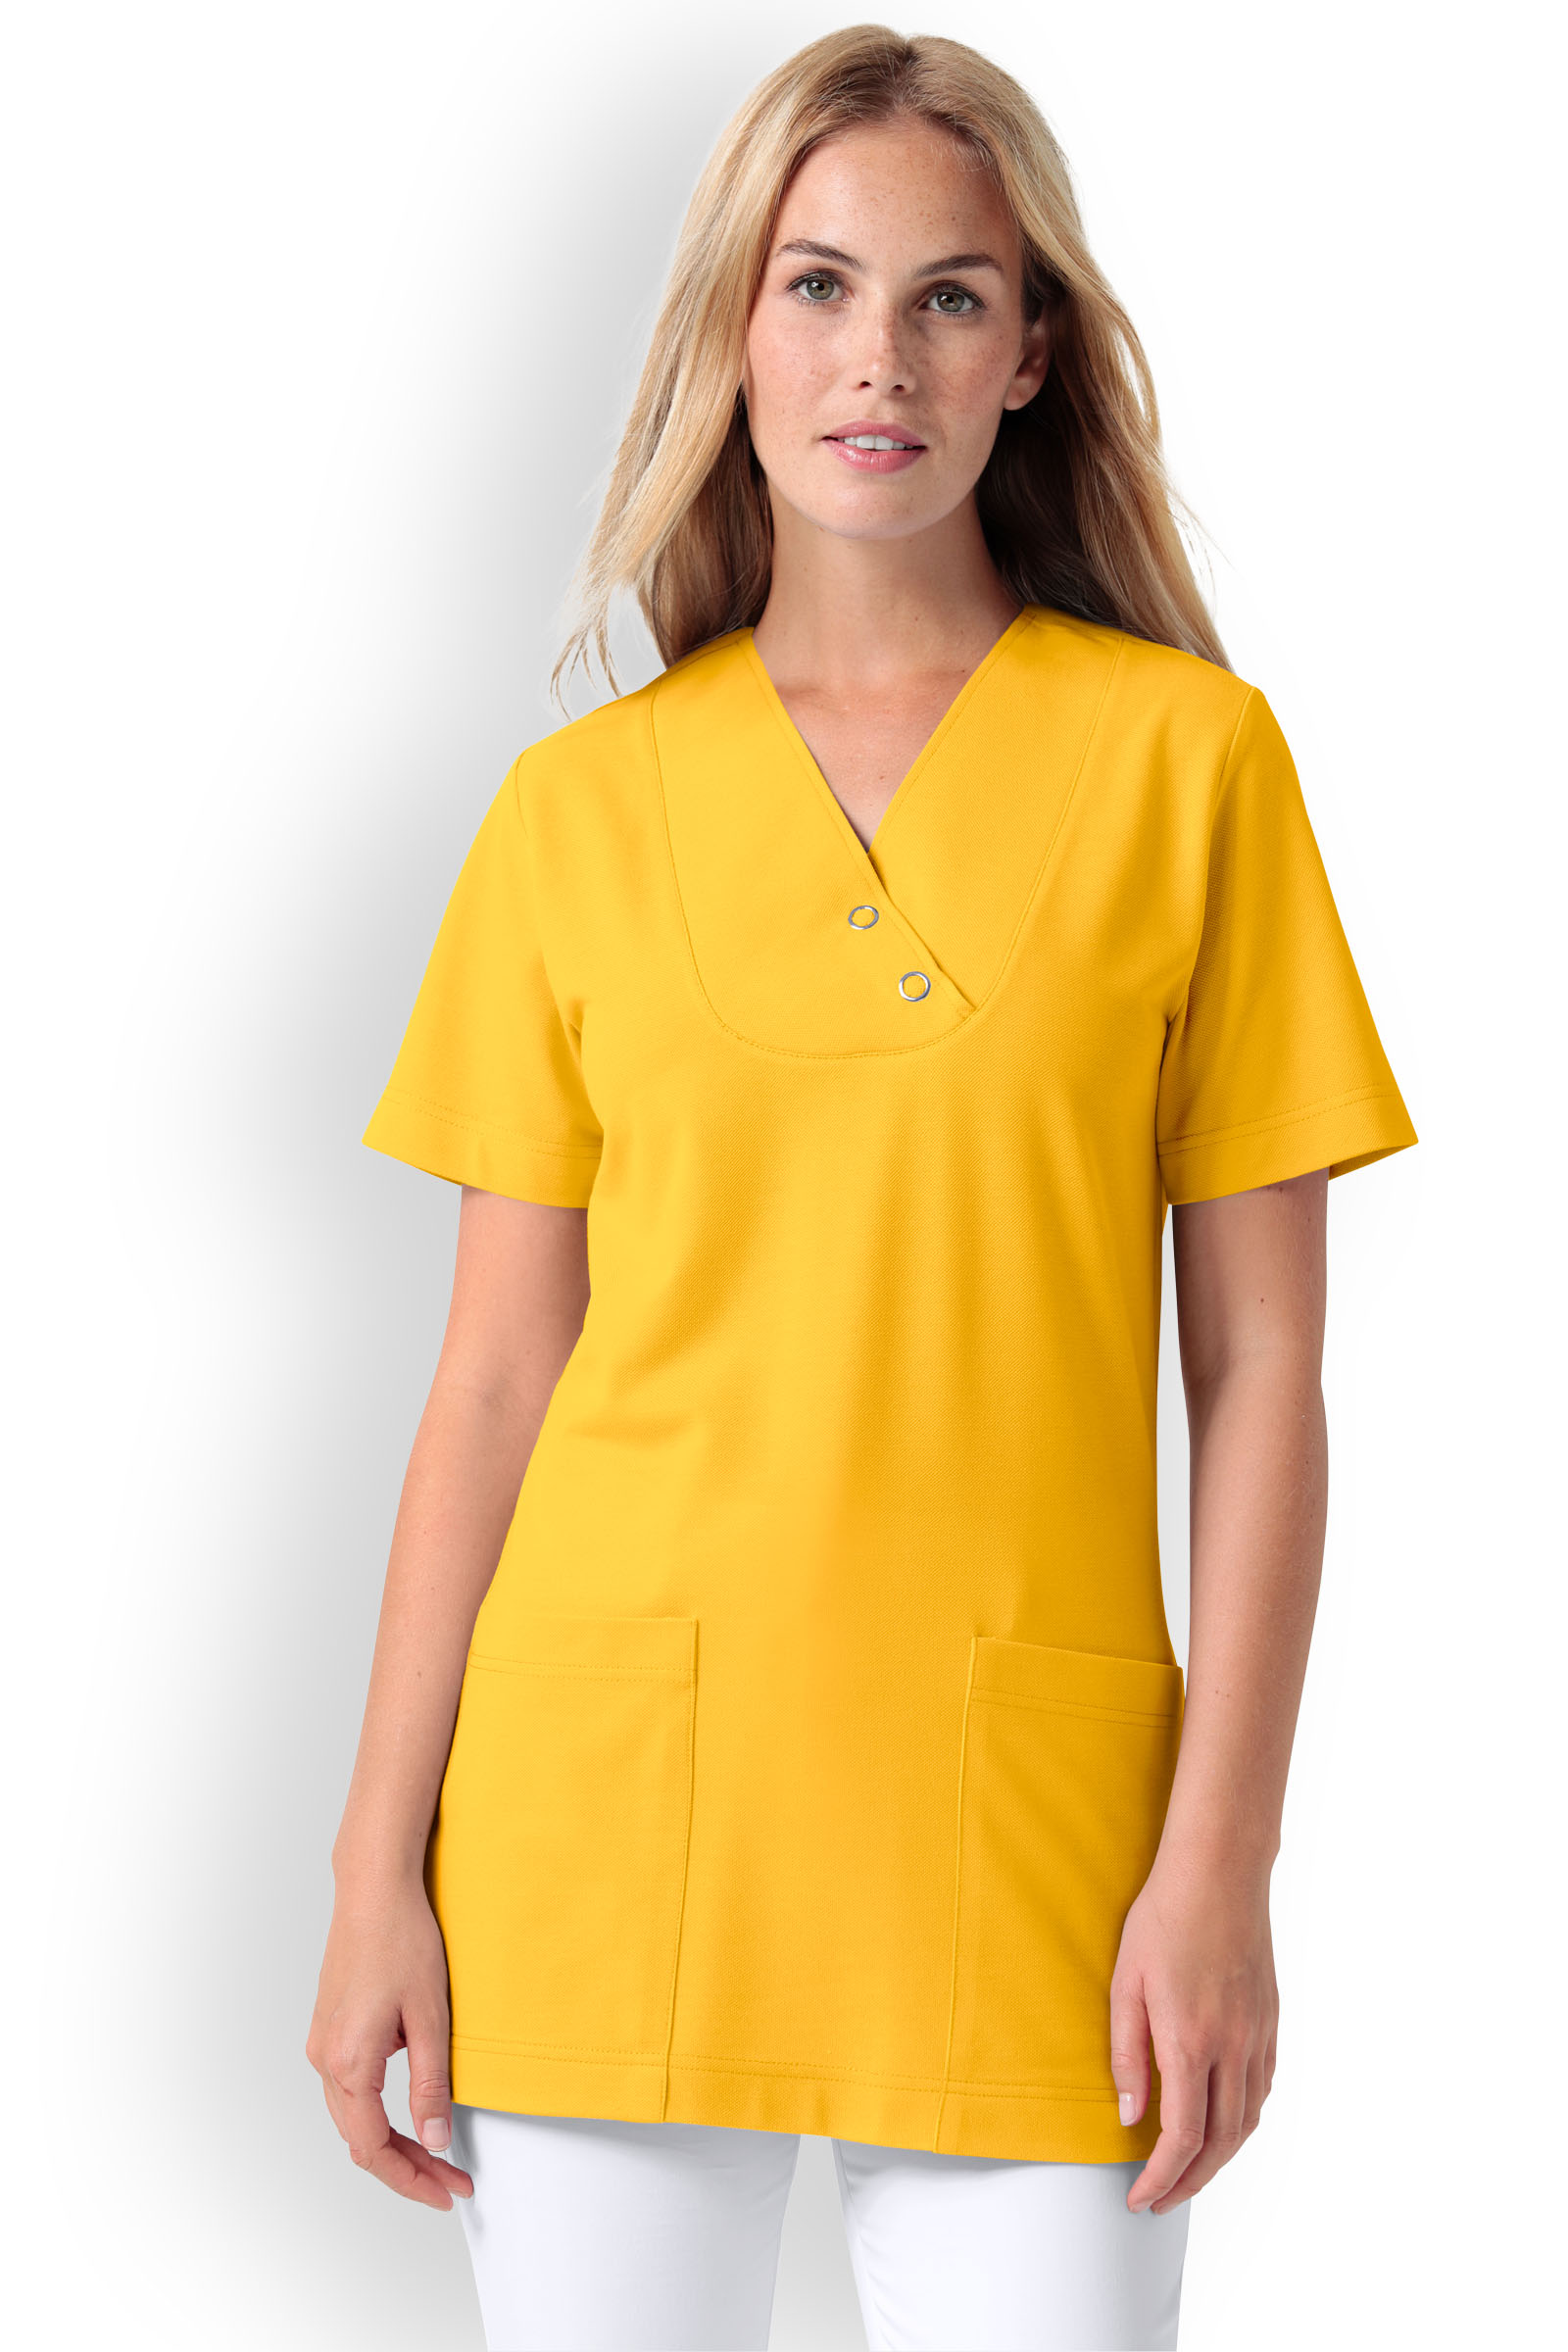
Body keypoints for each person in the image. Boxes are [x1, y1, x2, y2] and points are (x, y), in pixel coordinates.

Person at [306, 25, 1417, 2351]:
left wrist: (1222, 1861)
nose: (875, 357)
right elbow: (494, 1378)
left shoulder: (1190, 771)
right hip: (606, 1821)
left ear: (1031, 353)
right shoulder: (575, 816)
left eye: (946, 295)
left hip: (1036, 1848)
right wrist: (370, 1866)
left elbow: (1262, 1370)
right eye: (814, 285)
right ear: (735, 333)